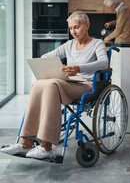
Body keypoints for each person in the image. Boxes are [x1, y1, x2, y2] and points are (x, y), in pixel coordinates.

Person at [1, 11, 108, 160]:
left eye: (76, 27)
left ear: (87, 25)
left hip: (86, 85)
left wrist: (79, 68)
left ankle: (46, 146)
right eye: (71, 28)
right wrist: (57, 67)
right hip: (68, 82)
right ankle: (26, 142)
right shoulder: (69, 44)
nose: (73, 32)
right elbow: (46, 56)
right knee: (38, 84)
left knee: (51, 85)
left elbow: (104, 63)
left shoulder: (97, 43)